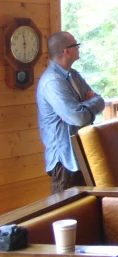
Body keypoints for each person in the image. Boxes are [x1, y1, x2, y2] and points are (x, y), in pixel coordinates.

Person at [37, 31, 105, 194]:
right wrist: (86, 105)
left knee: (90, 207)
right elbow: (78, 117)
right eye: (76, 45)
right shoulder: (52, 81)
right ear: (67, 51)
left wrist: (84, 105)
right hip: (65, 160)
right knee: (64, 212)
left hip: (84, 153)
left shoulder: (73, 75)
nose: (79, 48)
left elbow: (100, 101)